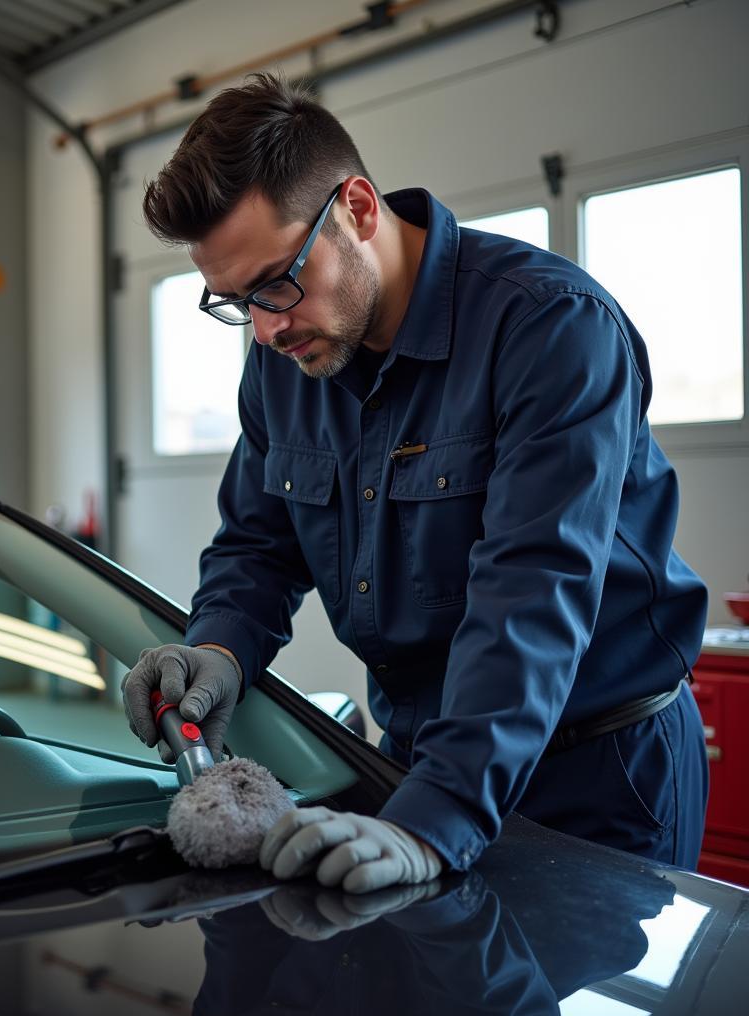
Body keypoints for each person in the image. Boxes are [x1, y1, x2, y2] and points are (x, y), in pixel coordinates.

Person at [123, 73, 709, 891]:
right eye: (234, 302)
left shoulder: (551, 329)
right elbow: (259, 544)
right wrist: (217, 647)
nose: (265, 327)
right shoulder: (286, 361)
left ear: (358, 208)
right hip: (412, 763)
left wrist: (437, 817)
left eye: (277, 283)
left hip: (595, 777)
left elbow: (531, 595)